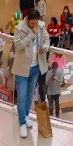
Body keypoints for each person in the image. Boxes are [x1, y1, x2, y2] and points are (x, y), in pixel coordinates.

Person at [12, 9, 48, 137]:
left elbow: (46, 39)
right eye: (32, 23)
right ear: (27, 20)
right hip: (22, 68)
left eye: (36, 23)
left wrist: (45, 47)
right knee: (21, 96)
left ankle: (26, 116)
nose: (34, 25)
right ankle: (22, 123)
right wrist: (31, 34)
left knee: (30, 94)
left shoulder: (41, 26)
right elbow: (18, 45)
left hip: (36, 66)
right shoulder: (19, 28)